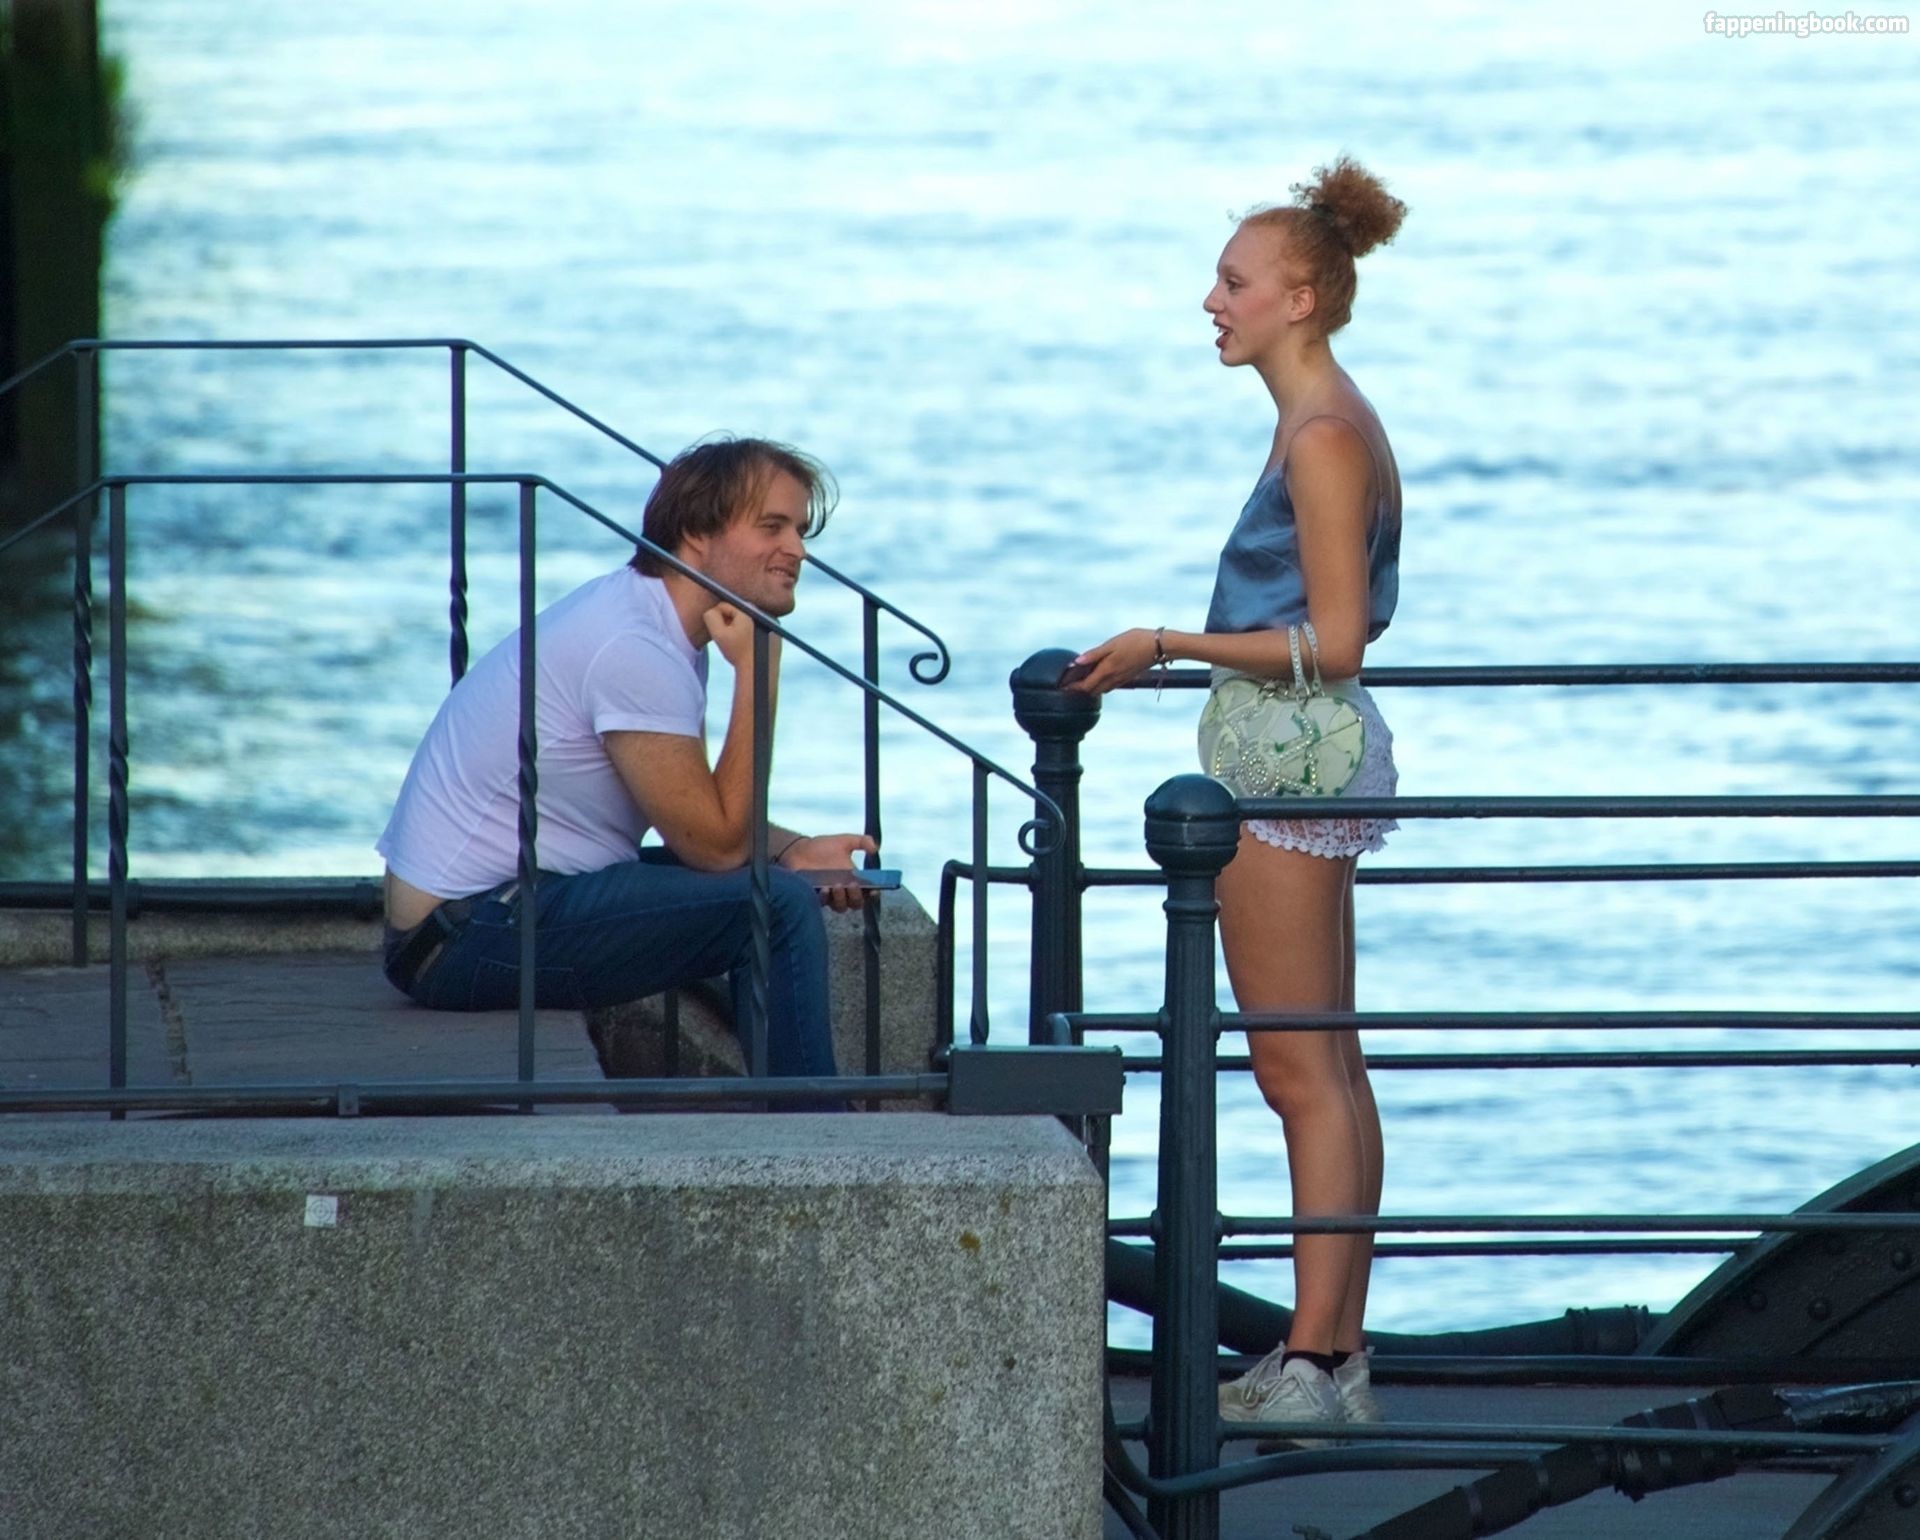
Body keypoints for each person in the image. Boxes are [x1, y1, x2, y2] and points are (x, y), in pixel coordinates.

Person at [1070, 158, 1408, 1436]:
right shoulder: (1327, 418)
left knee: (1297, 1069)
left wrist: (1166, 643)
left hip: (1289, 766)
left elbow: (1337, 639)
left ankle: (1315, 1364)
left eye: (1233, 280)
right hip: (1302, 757)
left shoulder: (1322, 437)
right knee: (1328, 1064)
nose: (1211, 301)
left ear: (1299, 298)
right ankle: (1333, 1356)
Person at [376, 436, 875, 1085]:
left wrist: (792, 849)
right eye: (772, 527)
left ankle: (793, 1109)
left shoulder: (652, 620)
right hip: (463, 937)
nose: (798, 551)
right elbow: (715, 849)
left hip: (489, 912)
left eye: (801, 531)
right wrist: (760, 669)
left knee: (774, 883)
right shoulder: (634, 647)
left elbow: (696, 813)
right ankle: (816, 1129)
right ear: (696, 532)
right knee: (774, 906)